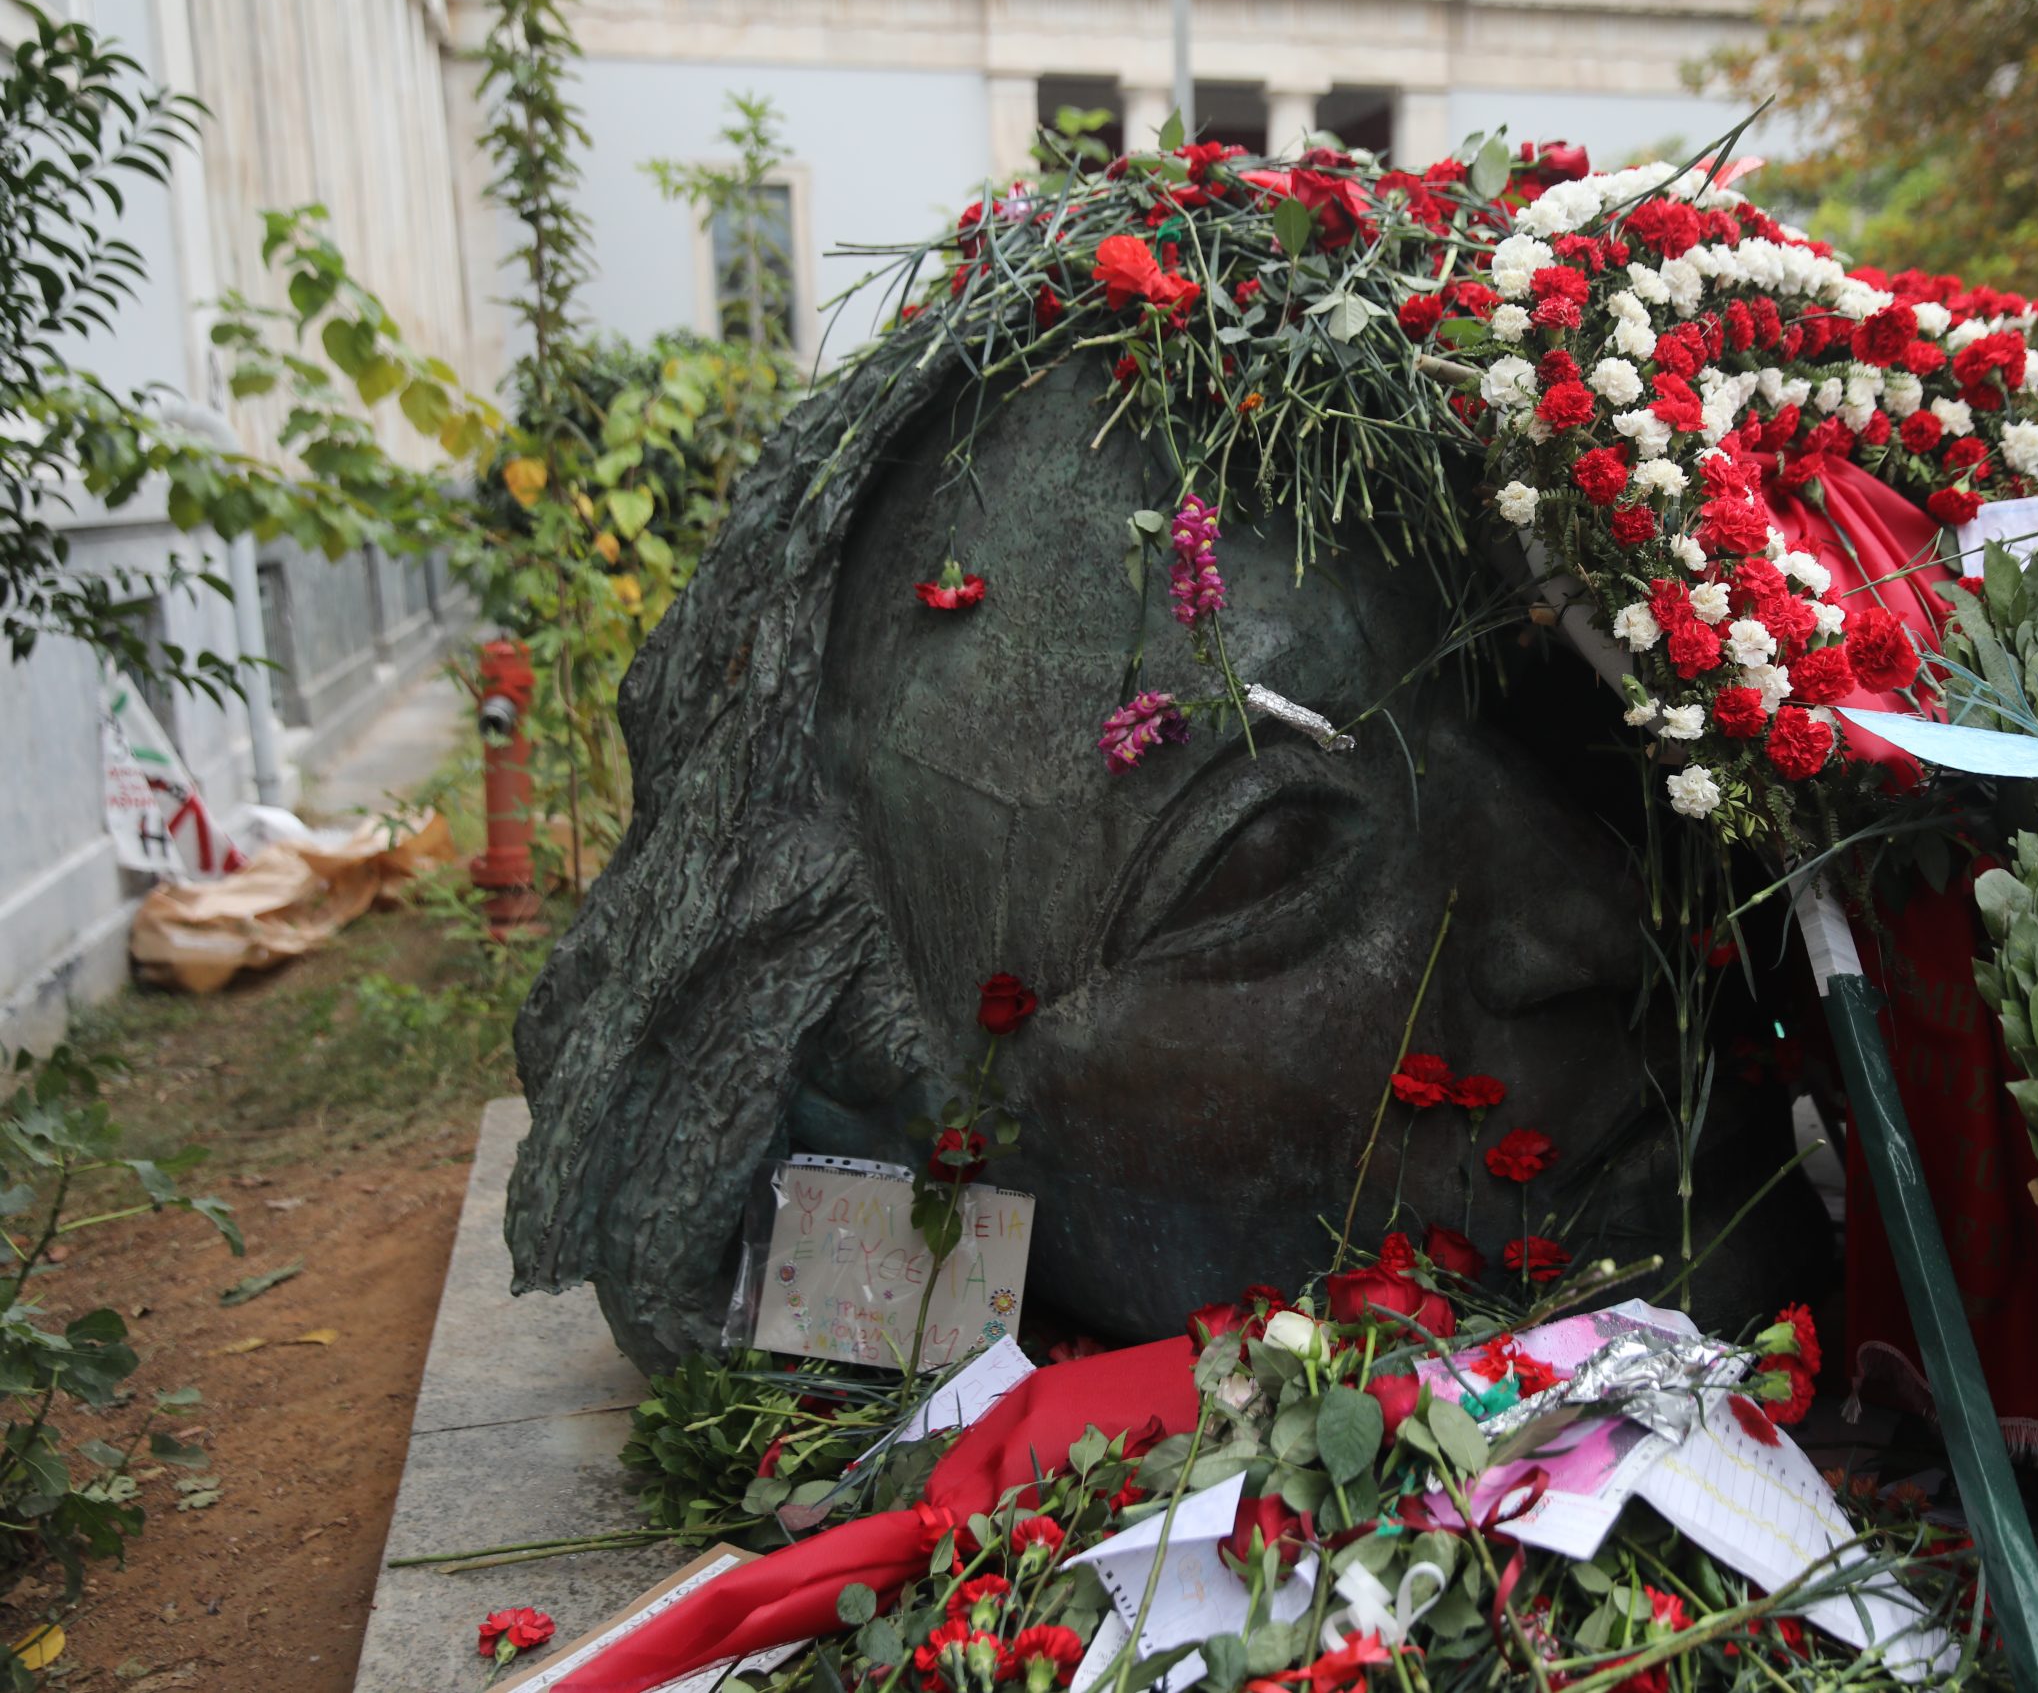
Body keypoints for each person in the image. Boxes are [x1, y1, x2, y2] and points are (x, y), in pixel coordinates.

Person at [508, 338, 1827, 1371]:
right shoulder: (859, 1131)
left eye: (1553, 698)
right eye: (1269, 862)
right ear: (897, 1130)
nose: (1604, 919)